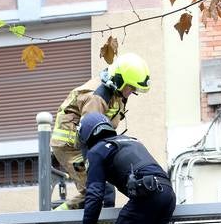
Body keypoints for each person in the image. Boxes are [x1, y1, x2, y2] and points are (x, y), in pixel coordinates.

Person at [51, 53, 150, 210]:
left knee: (101, 190)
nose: (132, 91)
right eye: (131, 87)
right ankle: (52, 223)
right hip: (71, 146)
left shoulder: (116, 92)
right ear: (119, 79)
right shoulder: (97, 98)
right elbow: (89, 135)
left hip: (84, 143)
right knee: (96, 189)